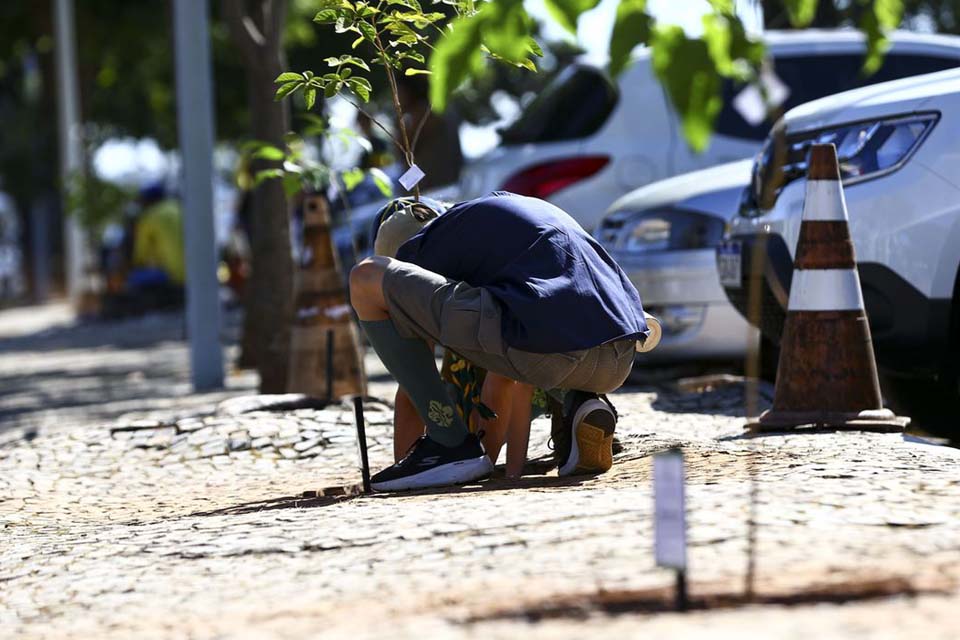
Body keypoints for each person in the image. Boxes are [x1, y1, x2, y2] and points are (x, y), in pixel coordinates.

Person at [350, 192, 652, 492]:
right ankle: (579, 405)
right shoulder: (497, 218)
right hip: (620, 353)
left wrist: (412, 463)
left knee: (366, 277)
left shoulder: (427, 245)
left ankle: (448, 445)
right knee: (535, 324)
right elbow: (505, 380)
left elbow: (414, 388)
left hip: (548, 349)